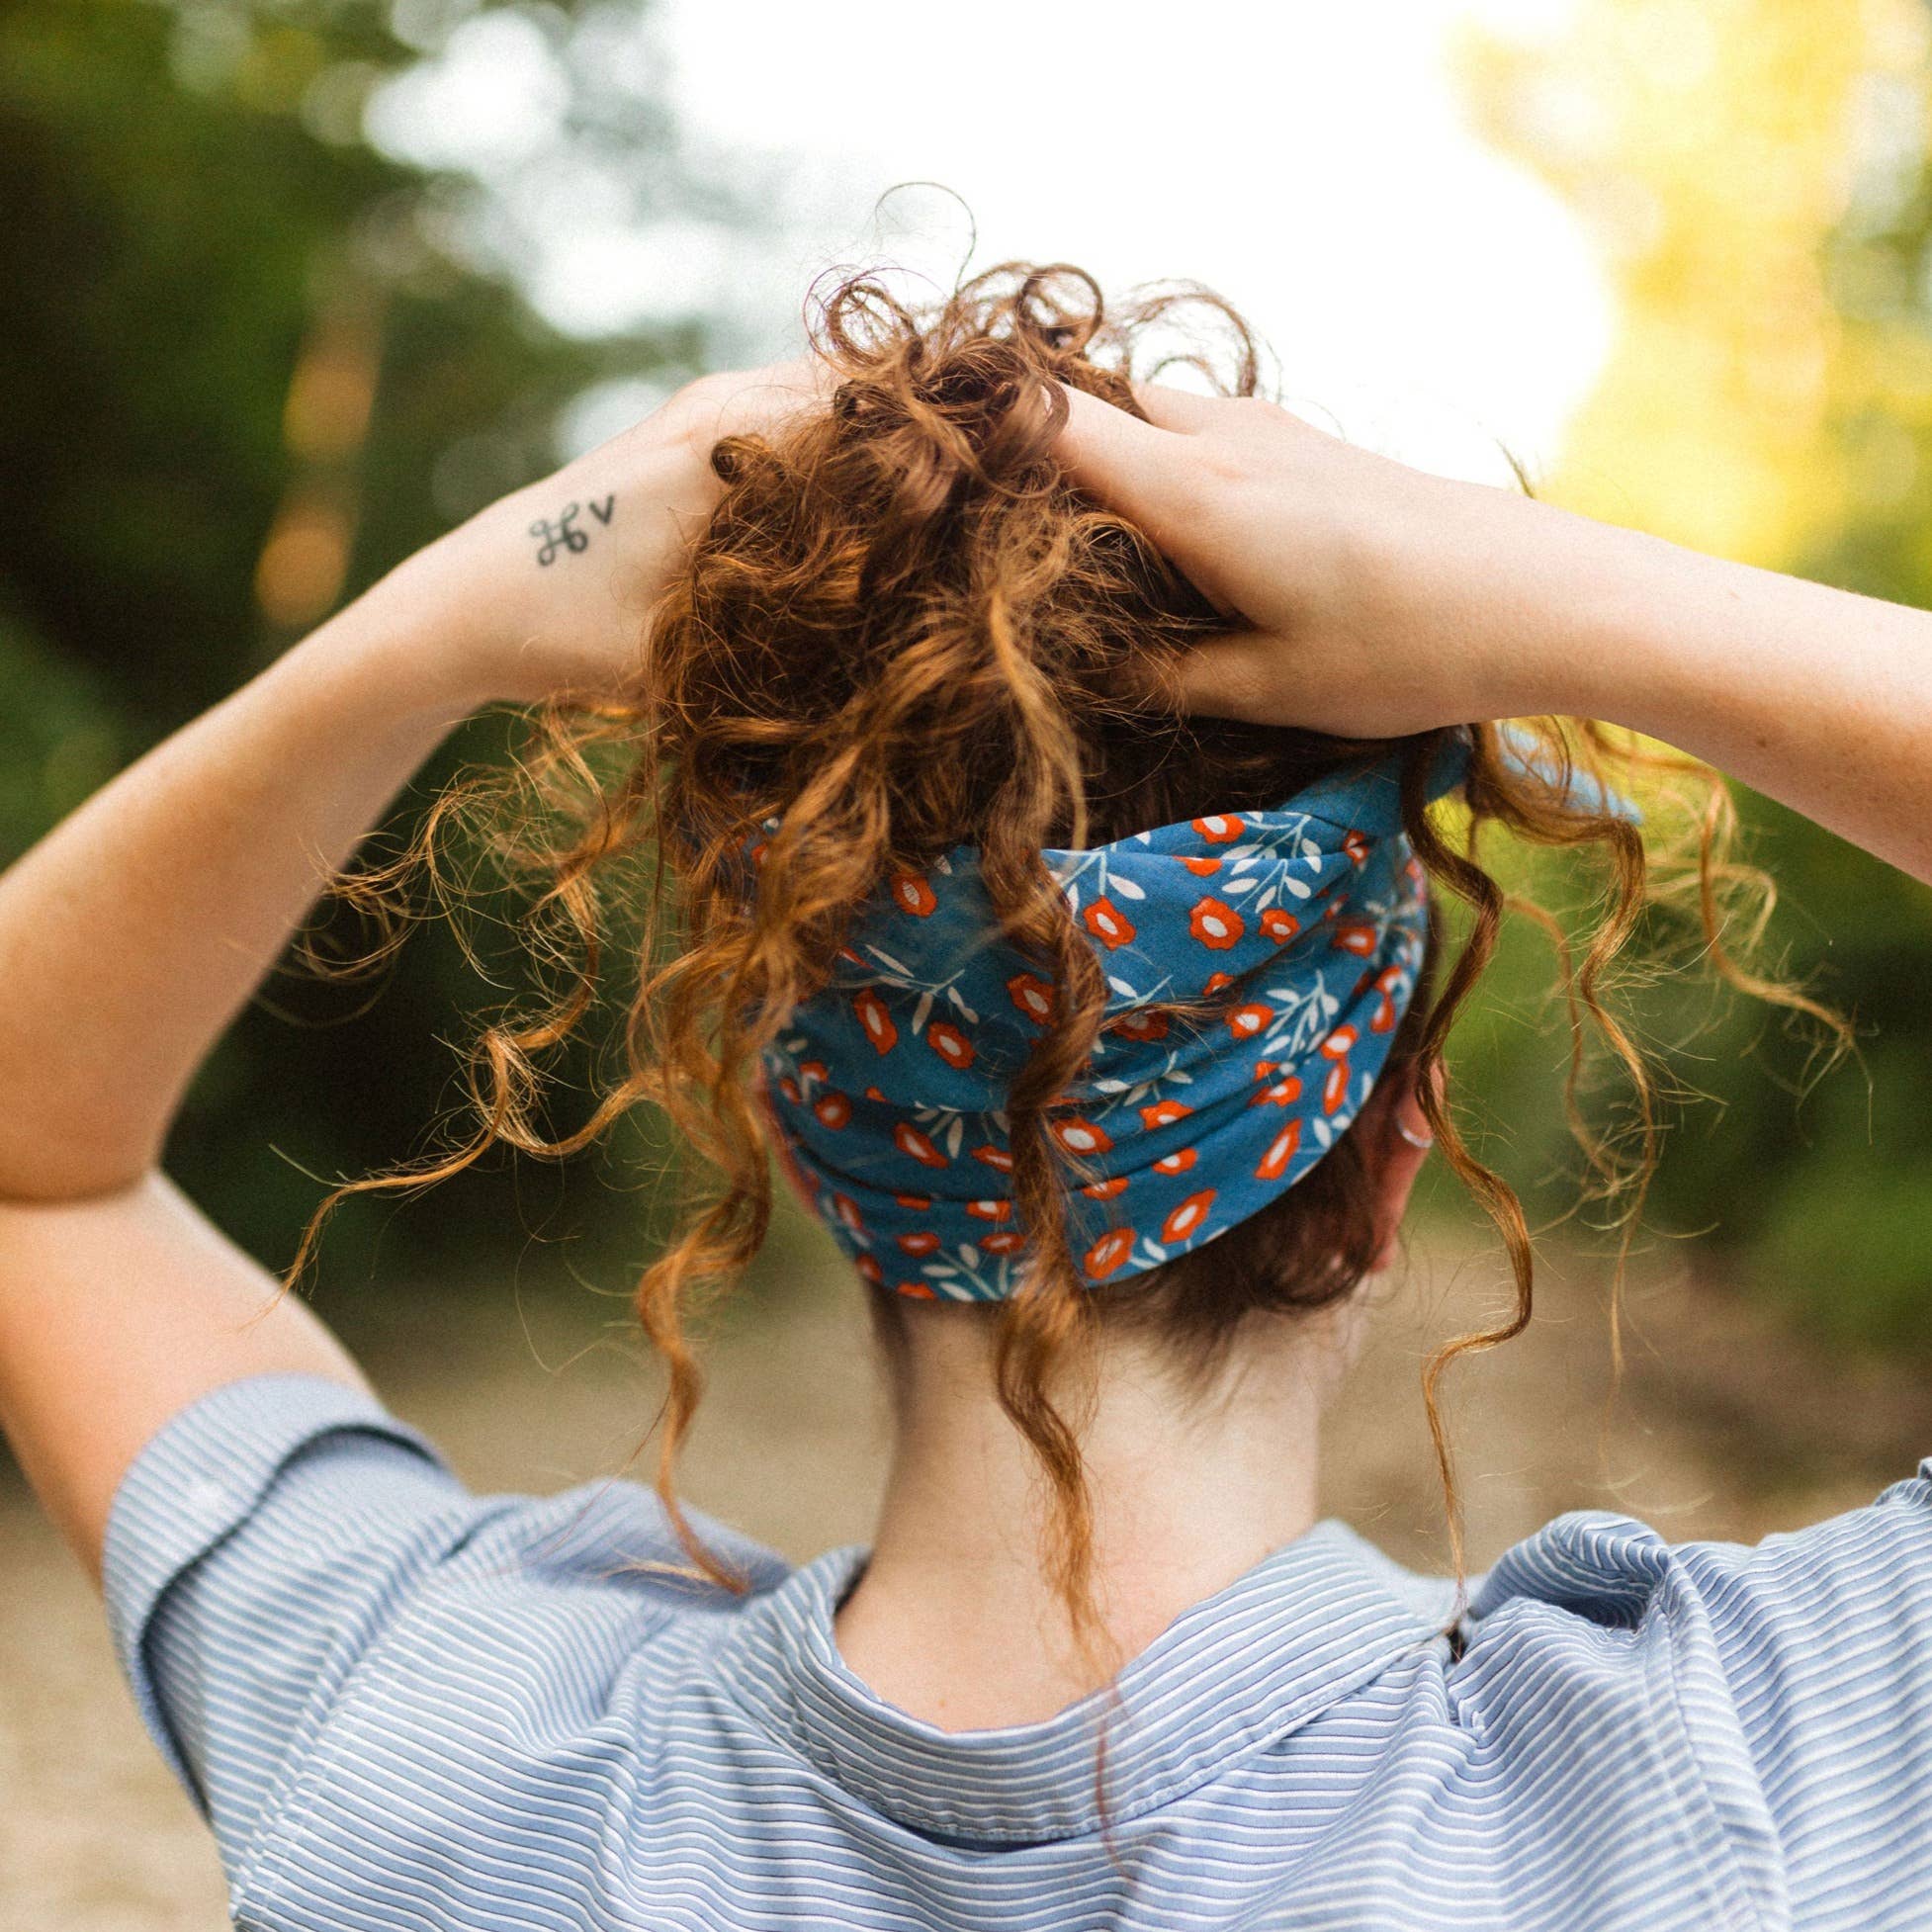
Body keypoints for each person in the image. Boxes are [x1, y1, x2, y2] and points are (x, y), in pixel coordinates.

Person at [1, 262, 1928, 1931]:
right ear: (1384, 1142)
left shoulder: (424, 1735)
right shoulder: (1751, 1779)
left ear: (787, 1107)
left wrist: (452, 608)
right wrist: (1558, 594)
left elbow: (34, 1165)